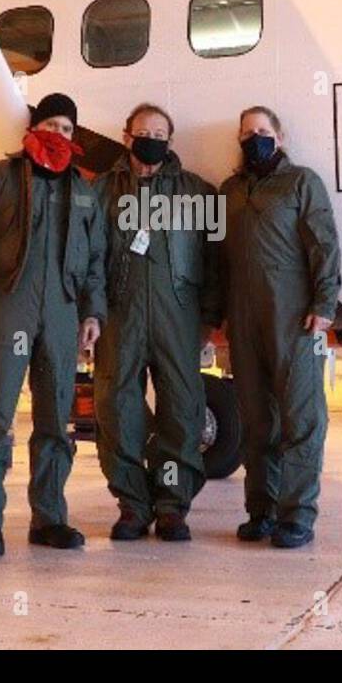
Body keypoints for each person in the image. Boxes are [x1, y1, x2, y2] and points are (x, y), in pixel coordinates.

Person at [0, 93, 106, 557]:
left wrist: (92, 312)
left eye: (68, 130)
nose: (59, 135)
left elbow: (95, 258)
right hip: (9, 303)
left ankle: (50, 518)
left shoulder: (83, 191)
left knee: (56, 419)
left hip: (62, 309)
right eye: (52, 125)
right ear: (33, 130)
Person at [93, 103, 220, 542]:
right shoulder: (101, 192)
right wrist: (91, 312)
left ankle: (171, 505)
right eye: (143, 131)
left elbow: (216, 260)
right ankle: (132, 505)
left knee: (181, 412)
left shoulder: (199, 194)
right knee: (117, 409)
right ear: (127, 136)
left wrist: (209, 318)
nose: (152, 138)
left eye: (160, 133)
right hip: (118, 317)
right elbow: (87, 260)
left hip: (178, 318)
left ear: (170, 140)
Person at [220, 106, 341, 549]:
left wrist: (324, 303)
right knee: (257, 423)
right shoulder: (229, 190)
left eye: (264, 131)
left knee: (301, 420)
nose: (256, 138)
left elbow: (324, 244)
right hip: (244, 321)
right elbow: (218, 257)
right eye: (248, 132)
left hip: (294, 319)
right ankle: (262, 511)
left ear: (280, 135)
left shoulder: (301, 182)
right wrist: (219, 316)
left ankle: (297, 515)